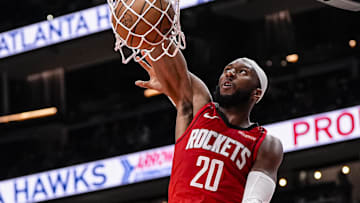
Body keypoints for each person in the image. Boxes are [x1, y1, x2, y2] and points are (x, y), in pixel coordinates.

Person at [134, 45, 283, 203]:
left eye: (242, 72)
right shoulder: (199, 109)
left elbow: (255, 199)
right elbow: (170, 59)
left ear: (257, 93)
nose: (230, 73)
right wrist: (155, 36)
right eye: (227, 69)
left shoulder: (266, 143)